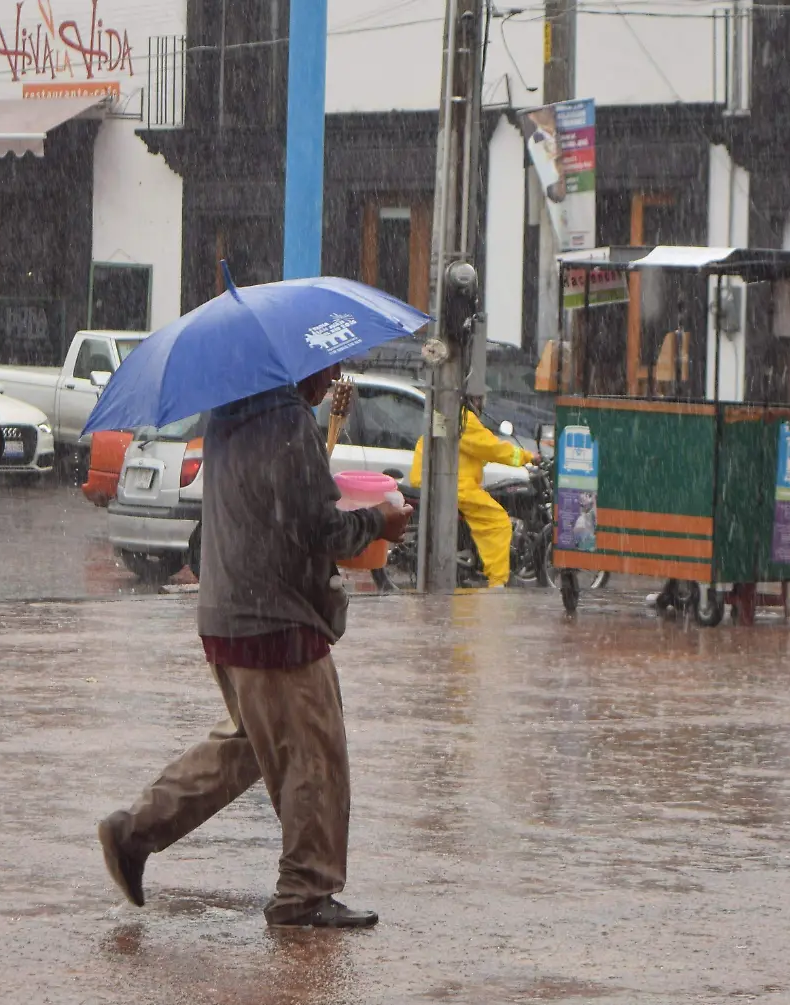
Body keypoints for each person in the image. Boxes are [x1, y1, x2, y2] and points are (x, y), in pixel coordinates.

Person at [96, 362, 412, 929]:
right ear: (299, 365)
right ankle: (305, 892)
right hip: (276, 619)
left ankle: (134, 831)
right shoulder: (285, 421)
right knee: (314, 755)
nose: (332, 379)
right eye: (326, 367)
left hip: (228, 610)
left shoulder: (230, 412)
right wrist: (379, 522)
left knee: (246, 747)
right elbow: (320, 529)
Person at [409, 395, 533, 587]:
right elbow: (491, 448)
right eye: (481, 399)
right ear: (473, 400)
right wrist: (527, 457)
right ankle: (497, 582)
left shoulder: (445, 414)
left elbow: (477, 450)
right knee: (498, 522)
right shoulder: (463, 419)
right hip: (455, 484)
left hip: (431, 479)